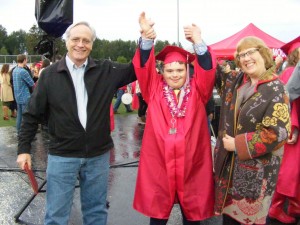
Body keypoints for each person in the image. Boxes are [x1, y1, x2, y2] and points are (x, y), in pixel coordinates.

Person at [16, 21, 136, 225]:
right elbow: (31, 114)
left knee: (96, 213)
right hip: (62, 156)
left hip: (98, 156)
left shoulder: (105, 70)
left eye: (86, 41)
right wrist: (23, 149)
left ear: (92, 44)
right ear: (67, 42)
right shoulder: (50, 75)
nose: (80, 44)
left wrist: (146, 42)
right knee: (56, 216)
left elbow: (135, 70)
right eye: (76, 39)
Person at [133, 12, 216, 225]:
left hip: (192, 163)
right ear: (163, 70)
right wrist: (147, 39)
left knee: (192, 216)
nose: (175, 74)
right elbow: (143, 68)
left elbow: (207, 69)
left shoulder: (199, 90)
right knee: (158, 216)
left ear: (187, 70)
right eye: (170, 70)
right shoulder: (154, 89)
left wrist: (198, 42)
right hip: (160, 162)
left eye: (180, 69)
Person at [214, 36, 290, 225]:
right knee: (229, 220)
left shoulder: (276, 89)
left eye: (250, 52)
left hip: (258, 174)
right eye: (241, 55)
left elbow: (276, 133)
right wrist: (199, 42)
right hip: (231, 171)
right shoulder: (238, 81)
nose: (245, 58)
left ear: (263, 54)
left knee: (248, 221)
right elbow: (218, 71)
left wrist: (237, 144)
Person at [269, 37, 300, 224]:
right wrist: (293, 128)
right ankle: (276, 207)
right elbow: (289, 102)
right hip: (293, 130)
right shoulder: (290, 72)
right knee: (289, 171)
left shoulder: (286, 71)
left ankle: (295, 205)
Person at [12, 54, 34, 134]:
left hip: (17, 96)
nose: (27, 61)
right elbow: (32, 83)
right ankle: (26, 135)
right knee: (26, 117)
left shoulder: (14, 70)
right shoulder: (23, 71)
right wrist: (31, 73)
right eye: (26, 59)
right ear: (24, 60)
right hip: (25, 97)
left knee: (19, 116)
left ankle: (19, 132)